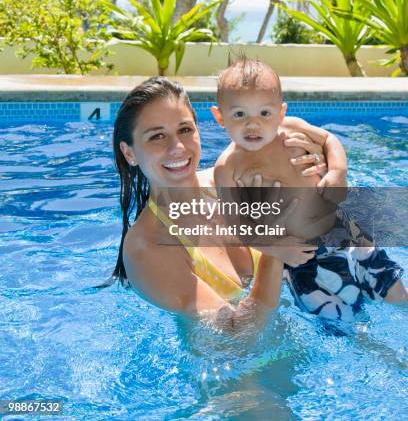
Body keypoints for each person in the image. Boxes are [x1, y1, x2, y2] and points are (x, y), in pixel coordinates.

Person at [110, 76, 336, 330]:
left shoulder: (231, 179)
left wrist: (318, 167)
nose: (177, 147)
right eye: (157, 136)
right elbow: (236, 336)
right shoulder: (147, 248)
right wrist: (274, 252)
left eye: (185, 130)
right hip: (244, 367)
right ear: (129, 153)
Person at [210, 57, 407, 320]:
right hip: (302, 256)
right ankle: (378, 352)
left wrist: (337, 172)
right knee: (341, 322)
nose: (253, 124)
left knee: (395, 292)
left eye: (264, 113)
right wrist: (277, 250)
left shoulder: (291, 128)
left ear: (280, 113)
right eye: (239, 114)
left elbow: (328, 139)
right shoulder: (227, 168)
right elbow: (238, 226)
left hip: (345, 231)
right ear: (220, 117)